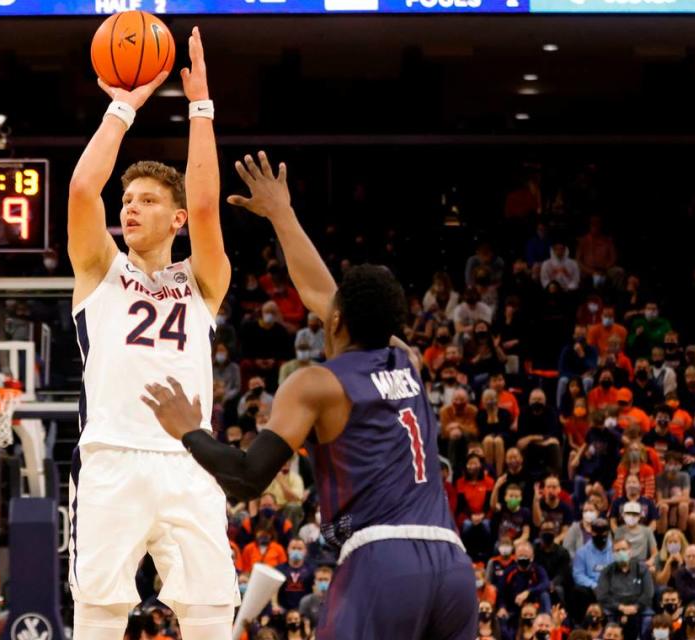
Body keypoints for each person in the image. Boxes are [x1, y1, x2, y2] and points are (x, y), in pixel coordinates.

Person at [144, 152, 476, 639]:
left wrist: (188, 431)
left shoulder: (316, 382)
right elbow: (325, 294)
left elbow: (247, 477)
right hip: (452, 566)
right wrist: (282, 214)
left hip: (382, 561)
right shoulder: (407, 359)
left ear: (337, 320)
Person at [66, 38, 234, 635]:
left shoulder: (203, 280)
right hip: (111, 456)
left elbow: (210, 204)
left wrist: (200, 107)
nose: (130, 208)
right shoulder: (99, 269)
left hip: (191, 461)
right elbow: (84, 192)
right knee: (102, 613)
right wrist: (121, 108)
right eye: (127, 200)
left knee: (212, 609)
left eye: (147, 200)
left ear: (176, 218)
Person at [596, 538, 653, 639]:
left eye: (623, 549)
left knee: (647, 619)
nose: (620, 553)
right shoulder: (607, 571)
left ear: (630, 551)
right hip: (615, 609)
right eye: (617, 551)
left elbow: (648, 593)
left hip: (638, 608)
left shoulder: (642, 569)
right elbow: (602, 595)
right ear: (613, 553)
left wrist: (635, 607)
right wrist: (620, 607)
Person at [655, 452, 695, 542]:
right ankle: (662, 540)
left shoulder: (685, 476)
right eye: (670, 463)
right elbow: (659, 499)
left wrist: (669, 501)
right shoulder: (660, 477)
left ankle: (681, 537)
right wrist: (669, 501)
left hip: (680, 505)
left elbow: (685, 498)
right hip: (666, 507)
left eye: (676, 464)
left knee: (683, 505)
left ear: (680, 465)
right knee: (663, 507)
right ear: (665, 464)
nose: (672, 466)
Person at [478, 389, 513, 476]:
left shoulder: (505, 413)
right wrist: (490, 415)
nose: (490, 402)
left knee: (498, 440)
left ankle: (499, 474)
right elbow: (483, 432)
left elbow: (505, 429)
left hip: (503, 437)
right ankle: (489, 474)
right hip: (486, 438)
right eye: (487, 399)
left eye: (492, 399)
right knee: (488, 440)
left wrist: (494, 414)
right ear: (483, 401)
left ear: (497, 400)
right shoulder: (481, 414)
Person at [275, 538, 314, 612]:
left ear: (305, 551)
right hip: (283, 610)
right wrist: (275, 605)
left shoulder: (312, 570)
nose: (296, 551)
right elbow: (273, 591)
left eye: (299, 549)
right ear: (288, 550)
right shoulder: (279, 569)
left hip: (304, 610)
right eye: (293, 548)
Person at [532, 475, 574, 544]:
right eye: (548, 487)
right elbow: (537, 523)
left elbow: (565, 532)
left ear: (559, 489)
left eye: (554, 487)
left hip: (557, 541)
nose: (551, 490)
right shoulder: (538, 504)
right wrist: (536, 501)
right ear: (544, 489)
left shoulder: (566, 508)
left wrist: (556, 540)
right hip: (540, 541)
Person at [297, 565, 331, 631]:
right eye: (320, 579)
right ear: (315, 581)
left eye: (326, 579)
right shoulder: (306, 601)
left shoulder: (339, 601)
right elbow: (304, 626)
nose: (323, 582)